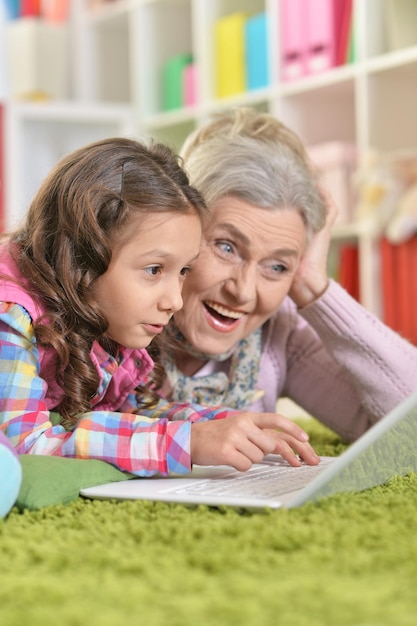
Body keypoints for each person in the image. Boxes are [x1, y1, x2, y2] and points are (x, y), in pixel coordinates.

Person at [0, 136, 318, 478]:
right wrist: (183, 443)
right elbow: (25, 446)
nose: (175, 301)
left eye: (183, 271)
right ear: (82, 258)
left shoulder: (105, 315)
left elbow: (135, 410)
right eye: (154, 270)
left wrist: (223, 424)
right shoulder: (11, 316)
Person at [159, 107, 417, 443]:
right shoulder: (117, 314)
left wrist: (312, 284)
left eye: (277, 266)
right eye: (226, 247)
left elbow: (408, 428)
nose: (245, 292)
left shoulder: (279, 332)